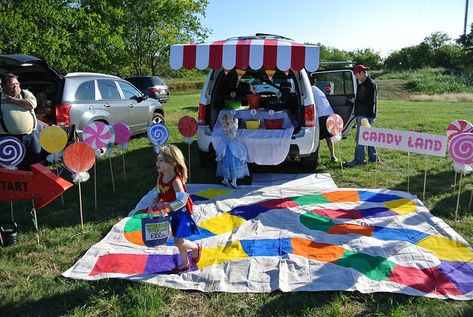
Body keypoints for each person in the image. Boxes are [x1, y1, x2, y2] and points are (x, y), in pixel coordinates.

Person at [147, 144, 202, 274]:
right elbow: (159, 191)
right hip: (172, 213)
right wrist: (155, 201)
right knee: (179, 241)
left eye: (161, 160)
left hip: (182, 214)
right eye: (157, 159)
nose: (157, 163)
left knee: (178, 241)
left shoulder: (176, 181)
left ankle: (195, 248)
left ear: (172, 163)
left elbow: (182, 201)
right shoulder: (160, 176)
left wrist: (165, 206)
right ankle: (185, 264)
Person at [0, 73, 43, 170]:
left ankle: (36, 183)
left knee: (35, 162)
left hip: (31, 135)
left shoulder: (25, 94)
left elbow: (32, 104)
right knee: (14, 166)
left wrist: (13, 100)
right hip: (9, 139)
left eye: (17, 84)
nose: (15, 86)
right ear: (3, 86)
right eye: (12, 84)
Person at [344, 64, 379, 168]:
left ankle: (358, 160)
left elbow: (370, 101)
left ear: (361, 72)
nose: (356, 77)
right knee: (367, 137)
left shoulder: (370, 84)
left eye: (356, 75)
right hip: (362, 114)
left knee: (360, 138)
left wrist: (356, 101)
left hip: (366, 115)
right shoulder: (362, 84)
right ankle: (374, 158)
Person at [216, 113, 250, 188]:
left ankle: (225, 179)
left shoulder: (222, 128)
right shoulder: (234, 126)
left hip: (225, 148)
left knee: (226, 164)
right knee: (234, 164)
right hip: (233, 148)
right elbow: (237, 121)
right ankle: (233, 182)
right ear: (231, 120)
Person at [311, 79, 338, 162]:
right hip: (330, 115)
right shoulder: (319, 90)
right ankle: (333, 156)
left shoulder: (309, 89)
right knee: (329, 137)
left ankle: (316, 156)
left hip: (321, 116)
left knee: (316, 138)